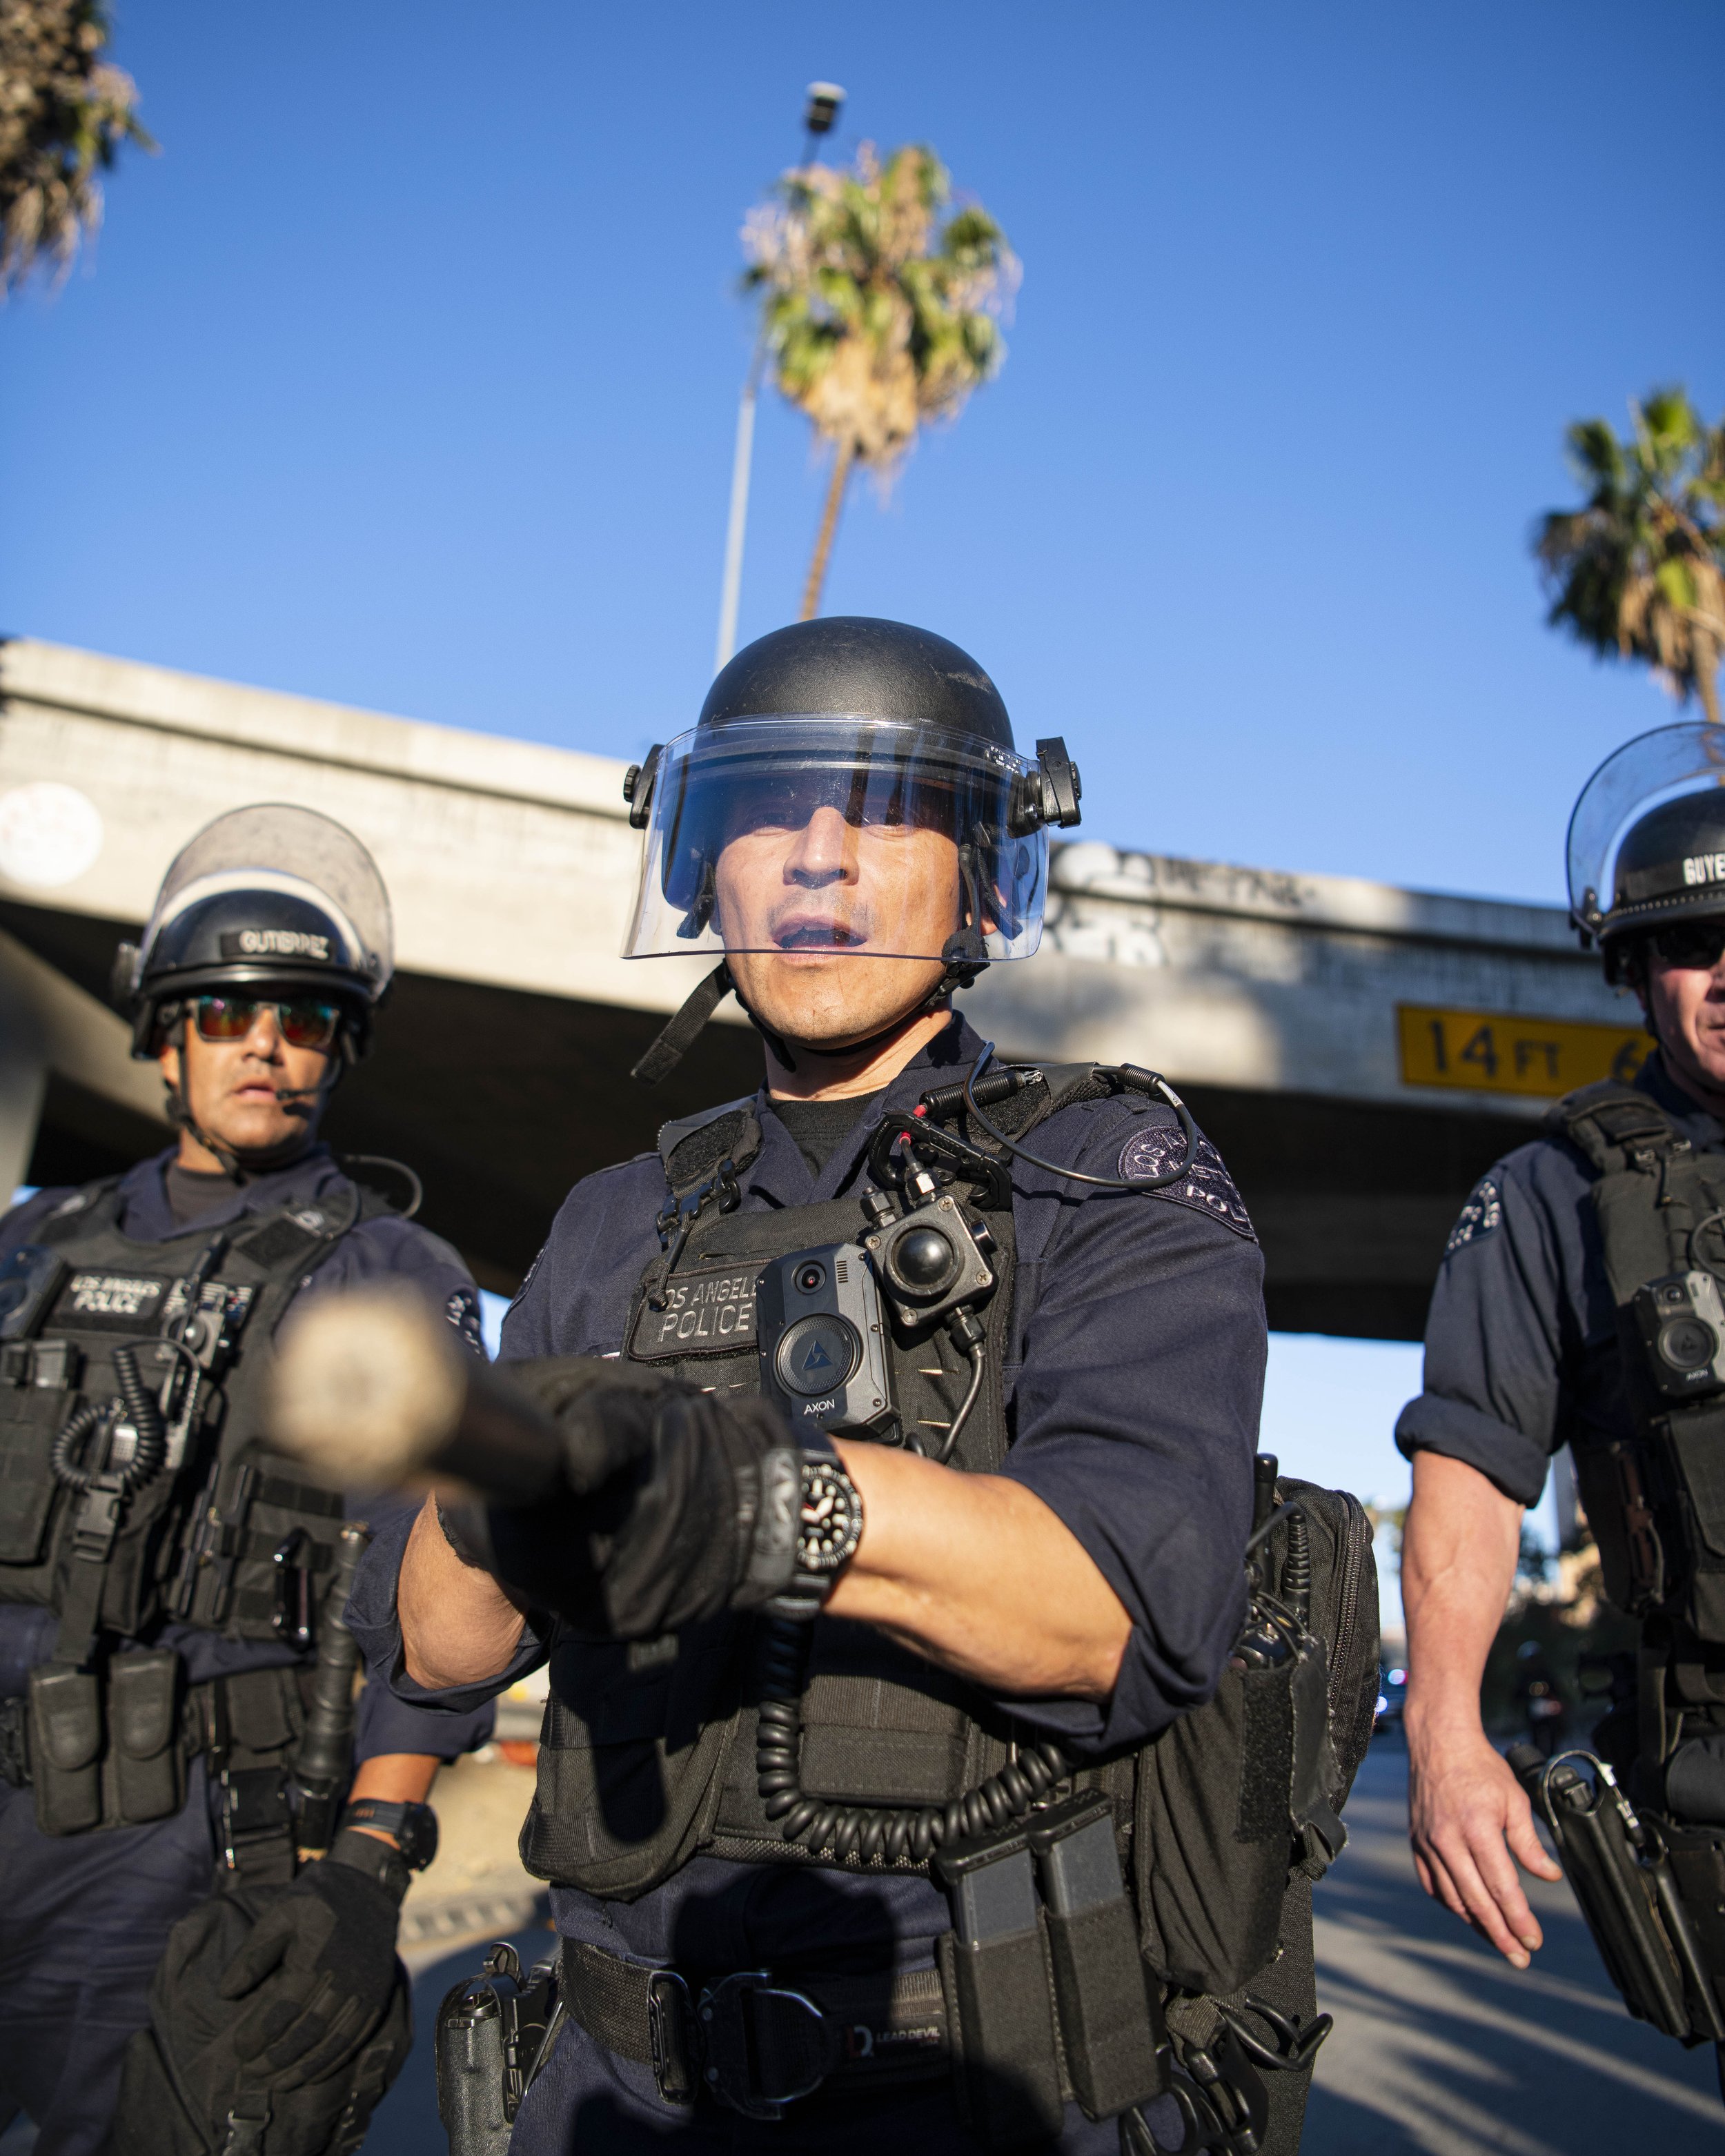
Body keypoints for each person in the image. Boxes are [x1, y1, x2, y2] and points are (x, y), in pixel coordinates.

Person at [354, 617, 1353, 2154]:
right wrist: (505, 1467)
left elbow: (1114, 1612)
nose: (817, 861)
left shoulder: (1106, 1171)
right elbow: (439, 1637)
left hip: (976, 2091)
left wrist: (748, 1498)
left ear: (976, 867)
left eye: (881, 811)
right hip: (611, 2092)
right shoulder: (618, 1218)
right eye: (765, 812)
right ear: (702, 867)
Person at [0, 805, 493, 2156]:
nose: (267, 1045)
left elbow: (436, 1597)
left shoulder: (386, 1270)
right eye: (226, 1010)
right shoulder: (30, 1246)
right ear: (166, 1030)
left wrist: (367, 1870)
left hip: (189, 1846)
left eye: (306, 1017)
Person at [1398, 721, 1725, 2026]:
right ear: (1638, 968)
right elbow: (1472, 1477)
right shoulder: (1552, 1200)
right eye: (1698, 945)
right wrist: (1444, 1735)